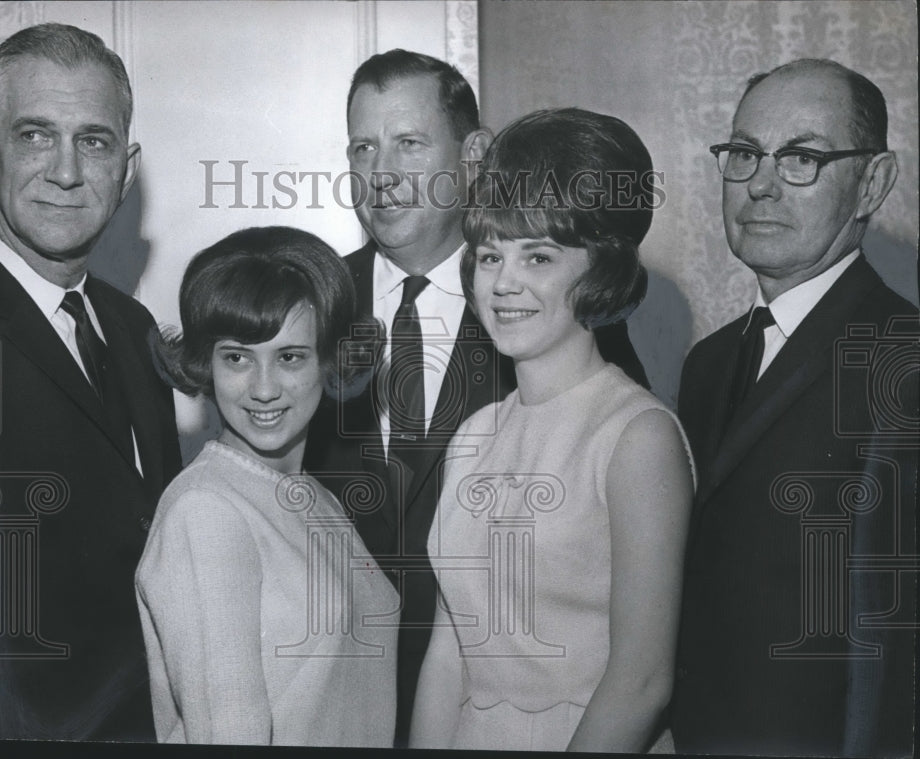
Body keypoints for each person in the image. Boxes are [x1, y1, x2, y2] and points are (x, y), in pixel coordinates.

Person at [303, 48, 649, 744]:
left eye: (408, 144)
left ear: (473, 154)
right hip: (327, 704)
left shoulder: (551, 310)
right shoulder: (306, 305)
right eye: (363, 148)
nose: (383, 176)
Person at [0, 24, 181, 740]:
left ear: (124, 169)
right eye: (36, 135)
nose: (66, 171)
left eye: (93, 141)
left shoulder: (132, 328)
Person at [410, 107, 694, 752]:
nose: (503, 284)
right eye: (489, 256)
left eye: (538, 256)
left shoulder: (638, 436)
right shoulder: (472, 437)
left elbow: (643, 679)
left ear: (599, 269)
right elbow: (449, 654)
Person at [672, 59, 918, 757]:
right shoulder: (709, 362)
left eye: (802, 157)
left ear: (872, 181)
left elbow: (890, 641)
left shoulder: (904, 361)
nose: (761, 183)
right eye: (745, 153)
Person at [135, 227, 398, 747]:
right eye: (236, 357)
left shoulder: (313, 499)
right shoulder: (206, 511)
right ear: (205, 364)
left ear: (329, 360)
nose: (262, 388)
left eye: (290, 356)